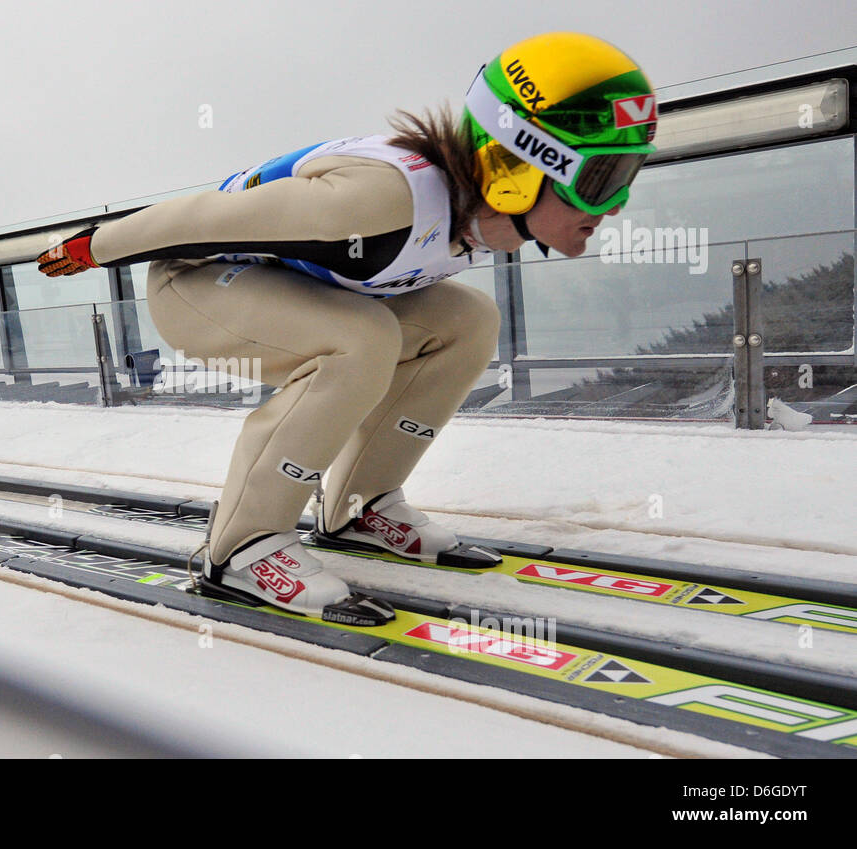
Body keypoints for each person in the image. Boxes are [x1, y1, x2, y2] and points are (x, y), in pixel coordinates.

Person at [38, 32, 658, 623]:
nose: (617, 203)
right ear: (519, 164)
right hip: (194, 284)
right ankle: (242, 546)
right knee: (360, 339)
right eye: (602, 180)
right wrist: (95, 247)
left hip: (298, 286)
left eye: (626, 176)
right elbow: (204, 216)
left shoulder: (474, 210)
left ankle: (361, 508)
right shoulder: (383, 198)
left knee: (469, 319)